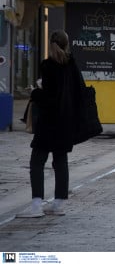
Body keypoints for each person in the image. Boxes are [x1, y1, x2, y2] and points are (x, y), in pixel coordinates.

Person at [17, 30, 85, 218]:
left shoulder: (48, 66)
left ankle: (36, 205)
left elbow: (49, 97)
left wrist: (34, 92)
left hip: (49, 122)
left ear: (50, 44)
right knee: (60, 160)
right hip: (66, 122)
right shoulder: (72, 64)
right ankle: (58, 203)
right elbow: (80, 92)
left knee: (37, 162)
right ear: (66, 44)